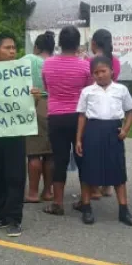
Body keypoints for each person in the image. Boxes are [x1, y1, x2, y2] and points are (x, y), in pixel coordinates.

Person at [0, 33, 39, 237]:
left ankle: (14, 218)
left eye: (14, 48)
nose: (12, 51)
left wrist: (34, 99)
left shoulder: (20, 73)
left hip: (14, 132)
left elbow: (29, 106)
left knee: (15, 175)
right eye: (7, 48)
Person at [74, 56, 132, 226]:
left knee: (118, 170)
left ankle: (124, 210)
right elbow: (82, 115)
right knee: (88, 171)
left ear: (112, 71)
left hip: (113, 132)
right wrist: (78, 139)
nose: (100, 75)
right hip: (92, 132)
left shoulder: (121, 90)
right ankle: (86, 207)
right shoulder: (87, 91)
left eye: (103, 71)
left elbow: (131, 110)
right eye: (96, 72)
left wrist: (125, 129)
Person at [41, 26, 92, 217]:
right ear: (77, 43)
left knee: (58, 159)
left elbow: (47, 87)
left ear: (59, 44)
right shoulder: (85, 66)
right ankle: (84, 201)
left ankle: (58, 203)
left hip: (56, 117)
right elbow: (88, 92)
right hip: (79, 117)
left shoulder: (47, 65)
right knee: (82, 159)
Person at [21, 31, 54, 203]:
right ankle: (48, 191)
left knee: (34, 153)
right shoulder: (55, 63)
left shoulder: (28, 59)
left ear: (36, 47)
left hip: (34, 104)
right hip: (53, 107)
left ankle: (33, 193)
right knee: (49, 154)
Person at [88, 29, 120, 198]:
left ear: (94, 43)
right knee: (110, 149)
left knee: (92, 150)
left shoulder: (89, 61)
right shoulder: (115, 61)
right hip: (113, 110)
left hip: (94, 110)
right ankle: (107, 186)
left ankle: (93, 188)